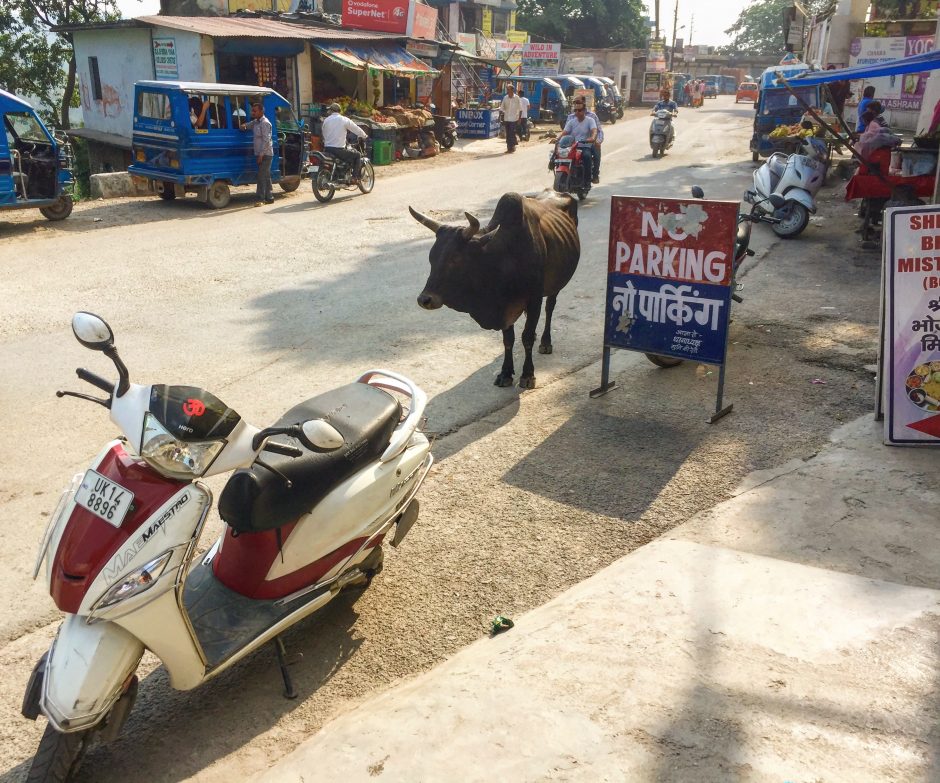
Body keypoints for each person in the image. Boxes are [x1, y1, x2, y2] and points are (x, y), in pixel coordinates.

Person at [321, 102, 368, 179]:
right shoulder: (344, 120)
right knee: (357, 155)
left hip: (327, 149)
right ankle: (354, 178)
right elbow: (355, 128)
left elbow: (324, 133)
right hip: (339, 150)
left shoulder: (326, 120)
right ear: (339, 111)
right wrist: (364, 135)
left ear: (331, 111)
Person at [240, 101, 274, 206]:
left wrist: (261, 154)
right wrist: (243, 126)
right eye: (252, 110)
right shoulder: (256, 122)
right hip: (261, 154)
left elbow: (266, 140)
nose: (252, 112)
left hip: (266, 154)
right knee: (266, 176)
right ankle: (270, 197)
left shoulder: (265, 123)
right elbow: (248, 125)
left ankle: (261, 198)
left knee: (261, 176)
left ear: (261, 111)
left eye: (255, 111)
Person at [561, 98, 599, 184]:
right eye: (575, 110)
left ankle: (587, 180)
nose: (577, 112)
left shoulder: (590, 120)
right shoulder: (571, 121)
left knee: (587, 156)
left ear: (584, 110)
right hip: (572, 146)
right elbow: (564, 132)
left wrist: (592, 138)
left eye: (580, 110)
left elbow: (594, 131)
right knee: (559, 155)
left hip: (585, 146)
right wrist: (558, 139)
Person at [499, 84, 524, 153]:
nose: (508, 91)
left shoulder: (517, 98)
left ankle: (512, 146)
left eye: (509, 89)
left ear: (513, 90)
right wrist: (500, 116)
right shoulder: (505, 98)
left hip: (514, 119)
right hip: (506, 118)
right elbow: (502, 108)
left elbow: (520, 109)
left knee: (511, 133)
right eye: (507, 89)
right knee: (508, 134)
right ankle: (509, 148)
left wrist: (519, 118)